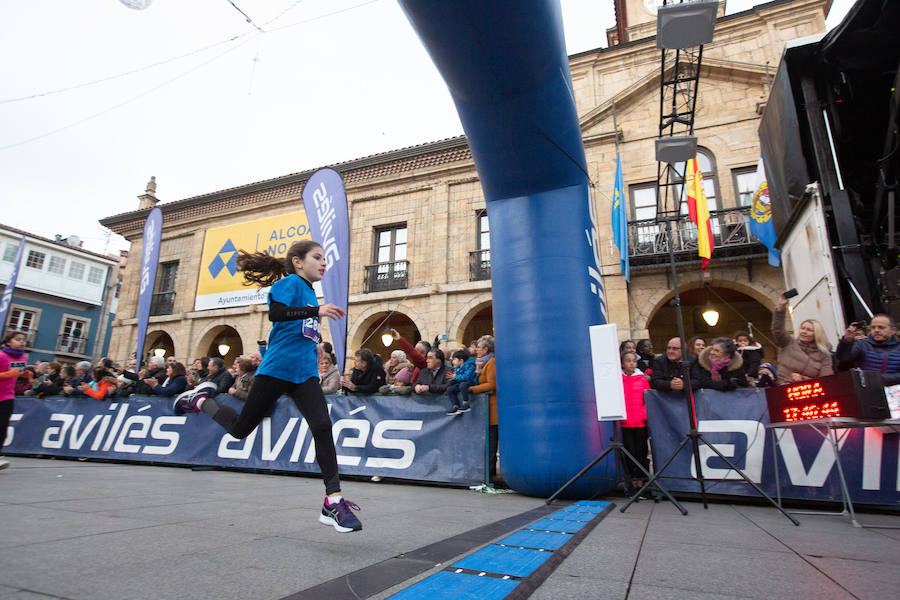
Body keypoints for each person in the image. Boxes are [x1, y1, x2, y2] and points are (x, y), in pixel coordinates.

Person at [171, 240, 361, 533]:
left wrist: (317, 346)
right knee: (239, 430)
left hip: (305, 375)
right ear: (298, 261)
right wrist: (316, 311)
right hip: (275, 372)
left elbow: (300, 330)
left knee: (322, 426)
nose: (324, 263)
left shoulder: (310, 291)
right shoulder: (290, 283)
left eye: (324, 259)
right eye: (317, 257)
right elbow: (277, 314)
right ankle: (200, 400)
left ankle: (333, 500)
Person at [772, 292, 833, 384]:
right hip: (786, 387)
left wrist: (803, 379)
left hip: (813, 390)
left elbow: (827, 379)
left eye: (809, 330)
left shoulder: (824, 352)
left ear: (816, 333)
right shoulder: (788, 342)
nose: (804, 331)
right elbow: (777, 330)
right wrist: (781, 308)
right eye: (802, 328)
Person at [834, 314, 900, 385]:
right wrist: (847, 341)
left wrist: (882, 378)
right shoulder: (862, 344)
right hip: (868, 389)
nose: (876, 330)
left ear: (893, 330)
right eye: (873, 327)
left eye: (881, 327)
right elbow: (843, 358)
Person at [620, 350, 651, 488]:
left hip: (640, 422)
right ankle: (631, 479)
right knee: (629, 452)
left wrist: (644, 415)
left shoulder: (642, 379)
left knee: (641, 451)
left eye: (634, 361)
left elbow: (648, 399)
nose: (632, 363)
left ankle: (642, 479)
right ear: (622, 363)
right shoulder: (619, 380)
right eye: (628, 360)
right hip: (625, 422)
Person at [469, 335, 498, 482]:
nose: (476, 350)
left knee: (492, 442)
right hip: (484, 409)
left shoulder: (491, 363)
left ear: (486, 350)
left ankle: (490, 473)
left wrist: (473, 389)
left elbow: (492, 384)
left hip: (492, 410)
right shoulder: (480, 364)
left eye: (479, 348)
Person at [0, 331, 28, 470]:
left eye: (23, 340)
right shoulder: (1, 356)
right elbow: (10, 374)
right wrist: (6, 374)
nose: (22, 342)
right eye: (18, 339)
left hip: (7, 396)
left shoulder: (23, 357)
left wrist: (27, 374)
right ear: (8, 342)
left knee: (2, 426)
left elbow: (18, 374)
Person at [445, 348, 478, 415]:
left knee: (463, 385)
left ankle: (466, 403)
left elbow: (467, 377)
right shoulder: (456, 367)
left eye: (454, 359)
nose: (452, 361)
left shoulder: (470, 365)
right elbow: (457, 377)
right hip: (461, 382)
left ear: (461, 361)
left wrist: (455, 377)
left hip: (471, 382)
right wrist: (452, 379)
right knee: (450, 389)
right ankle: (455, 406)